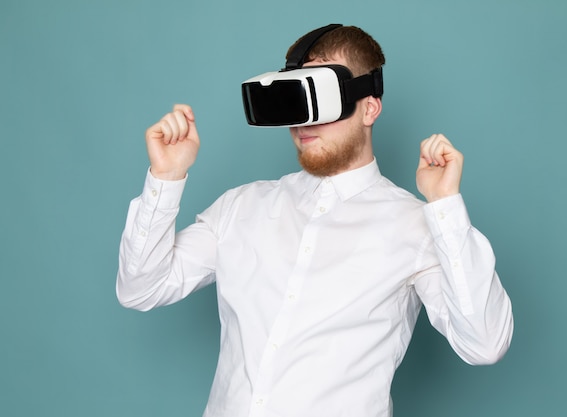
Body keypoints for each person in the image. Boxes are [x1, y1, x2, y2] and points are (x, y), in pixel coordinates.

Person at [117, 24, 513, 417]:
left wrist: (445, 205)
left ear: (369, 107)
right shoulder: (241, 207)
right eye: (296, 97)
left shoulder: (415, 227)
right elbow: (139, 289)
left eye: (321, 96)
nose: (306, 121)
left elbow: (484, 343)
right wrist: (165, 178)